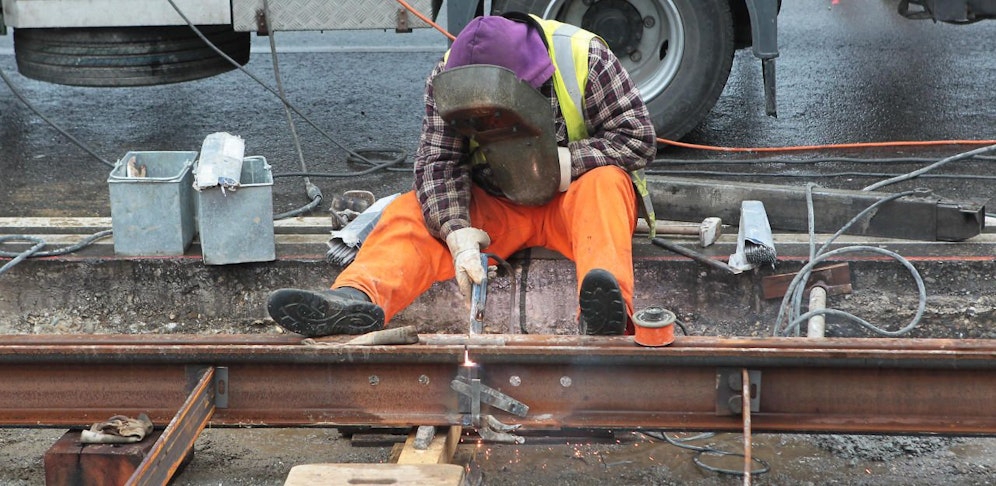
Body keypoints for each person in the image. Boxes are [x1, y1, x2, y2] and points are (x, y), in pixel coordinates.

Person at [267, 13, 656, 337]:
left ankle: (606, 317)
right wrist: (457, 234)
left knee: (606, 183)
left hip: (573, 203)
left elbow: (637, 139)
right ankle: (353, 299)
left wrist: (561, 164)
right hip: (495, 210)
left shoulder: (584, 56)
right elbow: (438, 164)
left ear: (530, 82)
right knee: (411, 212)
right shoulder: (450, 77)